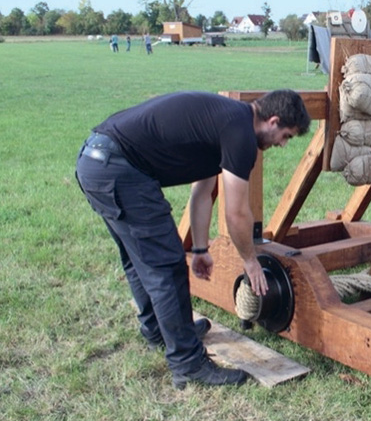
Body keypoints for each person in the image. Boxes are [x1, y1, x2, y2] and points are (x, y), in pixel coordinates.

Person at [75, 90, 311, 389]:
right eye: (286, 136)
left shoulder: (227, 120)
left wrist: (201, 249)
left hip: (96, 161)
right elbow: (237, 213)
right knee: (166, 265)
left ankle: (162, 330)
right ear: (273, 121)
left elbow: (202, 192)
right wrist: (250, 261)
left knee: (140, 259)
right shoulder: (240, 134)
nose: (282, 144)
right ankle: (188, 363)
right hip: (119, 170)